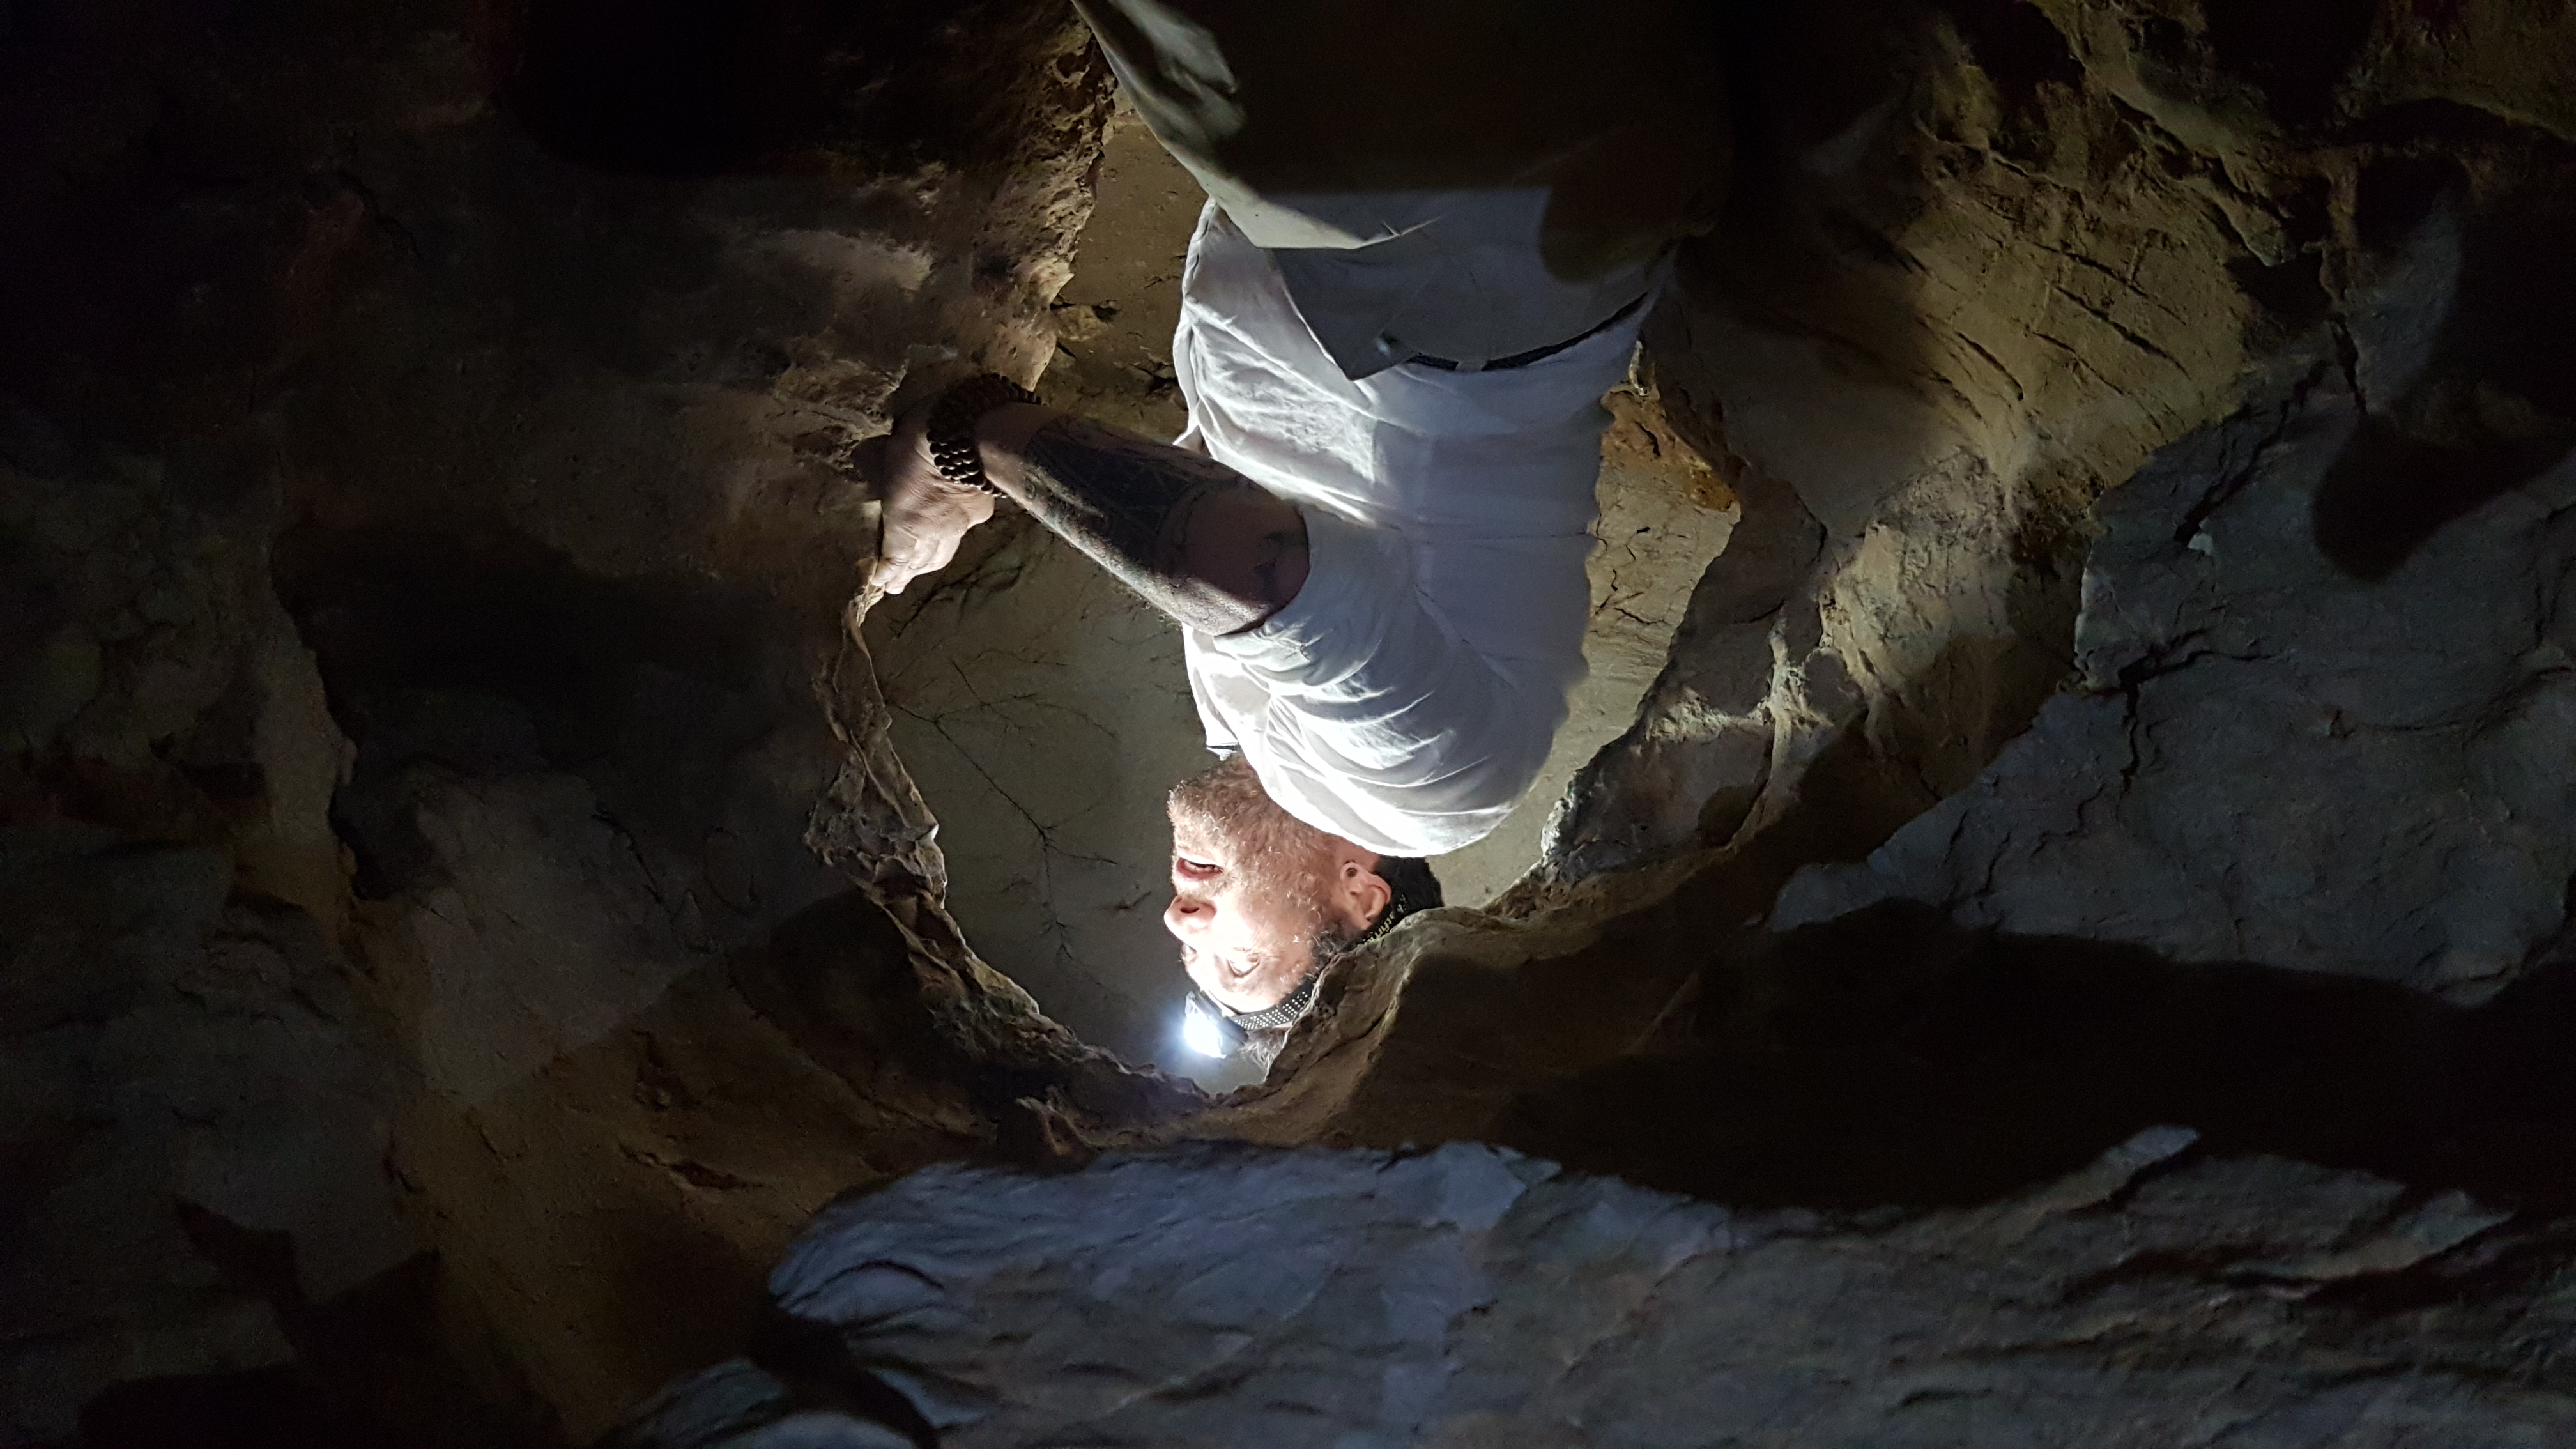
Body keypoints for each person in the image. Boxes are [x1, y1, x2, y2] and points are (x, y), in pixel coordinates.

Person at [863, 1, 1728, 1050]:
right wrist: (967, 445)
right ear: (1362, 897)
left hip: (1382, 234)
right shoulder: (1421, 795)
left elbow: (1221, 475)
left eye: (1190, 957)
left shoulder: (1259, 736)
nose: (1180, 923)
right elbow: (1250, 566)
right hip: (1451, 217)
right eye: (1237, 959)